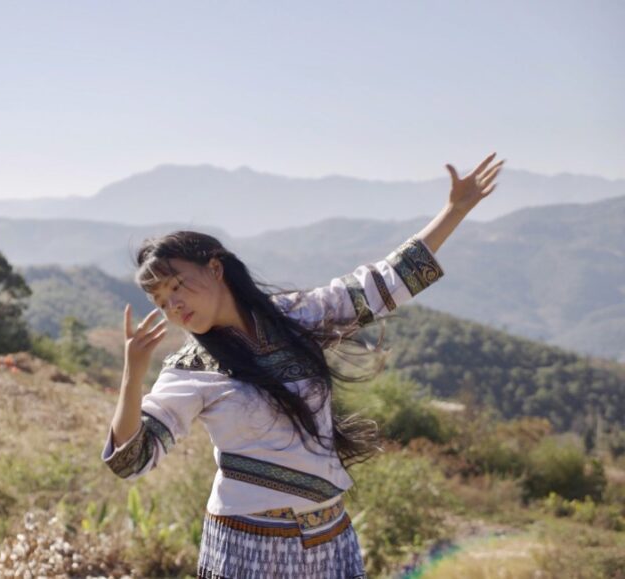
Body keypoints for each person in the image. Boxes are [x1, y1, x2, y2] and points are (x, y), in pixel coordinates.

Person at [102, 153, 504, 578]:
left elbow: (382, 283)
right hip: (248, 546)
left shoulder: (296, 316)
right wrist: (133, 374)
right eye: (161, 301)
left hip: (330, 537)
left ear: (215, 268)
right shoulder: (190, 369)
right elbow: (131, 461)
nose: (173, 305)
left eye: (177, 286)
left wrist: (454, 210)